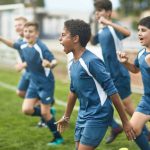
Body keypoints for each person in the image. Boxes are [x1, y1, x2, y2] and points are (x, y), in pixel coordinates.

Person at [56, 19, 136, 150]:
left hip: (98, 115)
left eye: (63, 35)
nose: (60, 39)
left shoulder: (92, 61)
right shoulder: (73, 63)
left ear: (75, 38)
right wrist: (66, 116)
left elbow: (112, 92)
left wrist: (125, 122)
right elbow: (73, 92)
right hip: (83, 115)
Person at [91, 0, 150, 144]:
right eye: (96, 11)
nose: (97, 13)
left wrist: (109, 22)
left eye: (100, 11)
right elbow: (93, 41)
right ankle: (129, 129)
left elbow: (128, 32)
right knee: (131, 127)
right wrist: (94, 23)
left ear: (109, 12)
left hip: (118, 75)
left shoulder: (112, 29)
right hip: (111, 76)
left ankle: (143, 132)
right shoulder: (141, 53)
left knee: (126, 105)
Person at [1, 21, 64, 145]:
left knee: (44, 113)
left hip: (46, 84)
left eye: (30, 32)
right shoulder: (23, 44)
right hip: (33, 83)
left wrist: (50, 64)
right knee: (27, 110)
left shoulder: (41, 47)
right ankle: (48, 113)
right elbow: (13, 44)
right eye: (25, 31)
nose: (27, 34)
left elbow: (54, 60)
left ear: (36, 34)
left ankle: (58, 138)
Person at [118, 16, 150, 150]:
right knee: (132, 130)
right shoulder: (142, 52)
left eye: (143, 30)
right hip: (147, 100)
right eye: (138, 30)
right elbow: (136, 69)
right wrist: (125, 63)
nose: (139, 33)